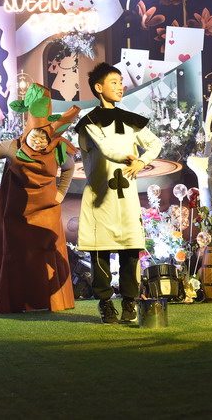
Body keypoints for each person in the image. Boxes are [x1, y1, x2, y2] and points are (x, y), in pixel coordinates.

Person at [0, 84, 79, 313]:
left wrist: (61, 191)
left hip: (47, 210)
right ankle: (18, 302)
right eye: (35, 135)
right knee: (17, 256)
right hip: (18, 212)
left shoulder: (57, 147)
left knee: (47, 253)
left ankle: (51, 301)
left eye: (43, 137)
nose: (39, 141)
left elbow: (69, 168)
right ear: (28, 131)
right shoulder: (13, 146)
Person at [75, 62, 162, 324]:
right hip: (100, 199)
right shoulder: (89, 123)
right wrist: (128, 157)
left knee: (130, 250)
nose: (120, 86)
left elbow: (155, 143)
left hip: (126, 198)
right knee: (99, 252)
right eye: (113, 82)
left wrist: (142, 161)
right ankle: (105, 303)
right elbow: (105, 148)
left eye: (121, 82)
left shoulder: (130, 120)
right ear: (98, 87)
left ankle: (128, 301)